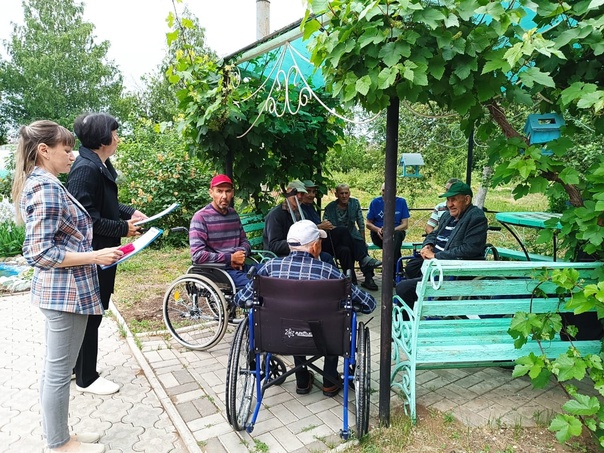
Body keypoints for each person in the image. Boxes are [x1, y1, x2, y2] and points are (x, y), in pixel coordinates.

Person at [12, 120, 123, 453]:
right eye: (66, 149)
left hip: (65, 293)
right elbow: (38, 252)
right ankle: (59, 443)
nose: (72, 155)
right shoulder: (45, 187)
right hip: (65, 295)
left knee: (56, 371)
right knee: (58, 373)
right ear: (44, 151)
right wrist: (94, 255)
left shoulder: (45, 182)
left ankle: (61, 434)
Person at [235, 220, 376, 398]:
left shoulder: (269, 268)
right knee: (334, 322)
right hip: (325, 341)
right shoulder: (329, 272)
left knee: (291, 321)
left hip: (278, 338)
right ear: (315, 246)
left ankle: (302, 379)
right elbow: (369, 304)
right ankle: (329, 382)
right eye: (320, 242)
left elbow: (240, 299)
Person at [67, 113, 147, 396]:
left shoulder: (99, 164)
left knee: (95, 313)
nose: (118, 138)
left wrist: (129, 212)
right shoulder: (85, 169)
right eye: (114, 133)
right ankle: (86, 377)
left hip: (104, 253)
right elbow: (85, 218)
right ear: (103, 138)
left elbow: (106, 203)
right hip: (93, 255)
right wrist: (123, 228)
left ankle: (77, 367)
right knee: (91, 314)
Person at [396, 181, 488, 308]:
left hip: (452, 269)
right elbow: (434, 233)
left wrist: (435, 256)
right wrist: (428, 245)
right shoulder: (447, 216)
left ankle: (415, 317)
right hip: (436, 264)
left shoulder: (476, 217)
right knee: (412, 267)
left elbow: (469, 249)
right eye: (448, 200)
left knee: (403, 288)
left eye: (454, 200)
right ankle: (426, 301)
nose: (449, 204)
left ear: (467, 200)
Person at [189, 174, 254, 288]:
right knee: (260, 285)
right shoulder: (200, 217)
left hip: (239, 267)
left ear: (232, 193)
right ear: (211, 193)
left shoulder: (233, 214)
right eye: (219, 191)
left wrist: (239, 255)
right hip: (218, 272)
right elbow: (197, 255)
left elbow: (245, 241)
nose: (224, 196)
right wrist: (230, 258)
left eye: (227, 191)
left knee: (273, 270)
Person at [323, 184, 381, 291]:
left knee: (358, 246)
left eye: (346, 193)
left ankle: (367, 279)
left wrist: (363, 240)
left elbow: (360, 222)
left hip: (353, 236)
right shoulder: (330, 208)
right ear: (336, 194)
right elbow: (327, 226)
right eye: (341, 193)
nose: (344, 196)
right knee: (344, 233)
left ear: (349, 193)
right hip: (337, 240)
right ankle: (361, 263)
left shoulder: (355, 203)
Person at [263, 180, 335, 265]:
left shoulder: (302, 213)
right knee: (325, 258)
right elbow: (274, 245)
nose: (300, 196)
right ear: (288, 193)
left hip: (301, 252)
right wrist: (297, 245)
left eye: (302, 193)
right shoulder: (275, 215)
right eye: (296, 193)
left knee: (326, 256)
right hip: (280, 256)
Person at [300, 180, 356, 281]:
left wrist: (328, 226)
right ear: (300, 194)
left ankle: (352, 282)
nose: (312, 195)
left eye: (314, 192)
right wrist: (320, 226)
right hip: (314, 244)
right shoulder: (299, 209)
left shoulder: (310, 206)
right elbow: (303, 230)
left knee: (345, 250)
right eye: (308, 191)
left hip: (323, 239)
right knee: (342, 231)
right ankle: (362, 258)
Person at [366, 182, 410, 284]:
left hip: (396, 232)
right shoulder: (375, 202)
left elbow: (405, 225)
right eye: (383, 190)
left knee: (396, 237)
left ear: (395, 191)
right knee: (394, 247)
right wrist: (378, 229)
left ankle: (388, 270)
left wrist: (392, 230)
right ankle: (397, 273)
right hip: (378, 234)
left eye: (388, 191)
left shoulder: (401, 202)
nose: (385, 193)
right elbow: (368, 224)